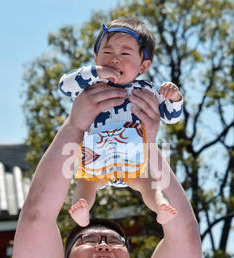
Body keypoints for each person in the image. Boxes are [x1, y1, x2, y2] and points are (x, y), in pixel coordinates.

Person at [11, 80, 202, 258]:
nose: (103, 246)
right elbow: (36, 217)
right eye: (88, 241)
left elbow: (184, 236)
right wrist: (74, 127)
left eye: (114, 242)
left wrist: (149, 145)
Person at [59, 18, 183, 227]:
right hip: (97, 151)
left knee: (149, 183)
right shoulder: (91, 86)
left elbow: (171, 118)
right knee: (86, 183)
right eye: (107, 53)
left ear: (143, 65)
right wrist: (95, 73)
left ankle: (161, 206)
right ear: (97, 58)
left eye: (125, 54)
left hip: (134, 154)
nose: (114, 59)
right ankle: (82, 209)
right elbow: (65, 86)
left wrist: (175, 99)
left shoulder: (148, 90)